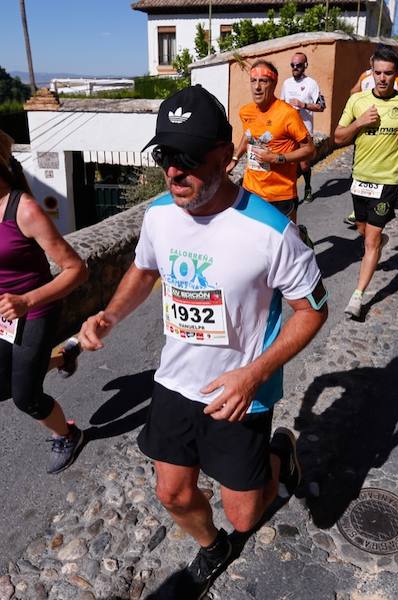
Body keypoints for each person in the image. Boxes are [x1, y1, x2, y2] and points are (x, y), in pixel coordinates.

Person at [79, 84, 328, 598]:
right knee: (172, 494)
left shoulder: (271, 230)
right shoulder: (158, 216)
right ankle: (212, 548)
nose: (174, 171)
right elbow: (144, 270)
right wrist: (109, 316)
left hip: (240, 390)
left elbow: (312, 310)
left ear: (225, 152)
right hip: (174, 382)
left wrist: (253, 374)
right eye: (166, 156)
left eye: (189, 157)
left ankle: (281, 452)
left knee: (245, 515)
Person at [0, 120, 88, 473]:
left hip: (35, 311)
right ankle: (60, 359)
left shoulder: (25, 211)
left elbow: (76, 270)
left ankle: (68, 434)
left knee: (27, 397)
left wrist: (27, 302)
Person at [334, 46, 398, 319]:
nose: (382, 78)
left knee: (369, 242)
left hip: (387, 181)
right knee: (364, 231)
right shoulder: (357, 101)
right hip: (360, 179)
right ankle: (380, 239)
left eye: (388, 73)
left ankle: (358, 297)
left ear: (397, 74)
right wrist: (359, 123)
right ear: (371, 70)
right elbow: (337, 138)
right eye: (378, 72)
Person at [230, 60, 316, 244]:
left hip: (280, 192)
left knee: (287, 243)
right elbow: (248, 135)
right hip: (251, 189)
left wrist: (277, 158)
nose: (257, 87)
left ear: (274, 84)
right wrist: (236, 158)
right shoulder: (246, 111)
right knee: (255, 243)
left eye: (263, 81)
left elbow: (309, 149)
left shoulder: (287, 114)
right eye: (253, 81)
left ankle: (301, 238)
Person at [280, 51, 326, 203]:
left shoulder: (311, 84)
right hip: (287, 130)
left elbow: (321, 106)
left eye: (298, 65)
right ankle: (289, 194)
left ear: (305, 66)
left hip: (304, 129)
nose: (295, 68)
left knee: (304, 165)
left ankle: (307, 187)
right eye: (292, 65)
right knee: (287, 163)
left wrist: (303, 105)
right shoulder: (286, 83)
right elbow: (280, 104)